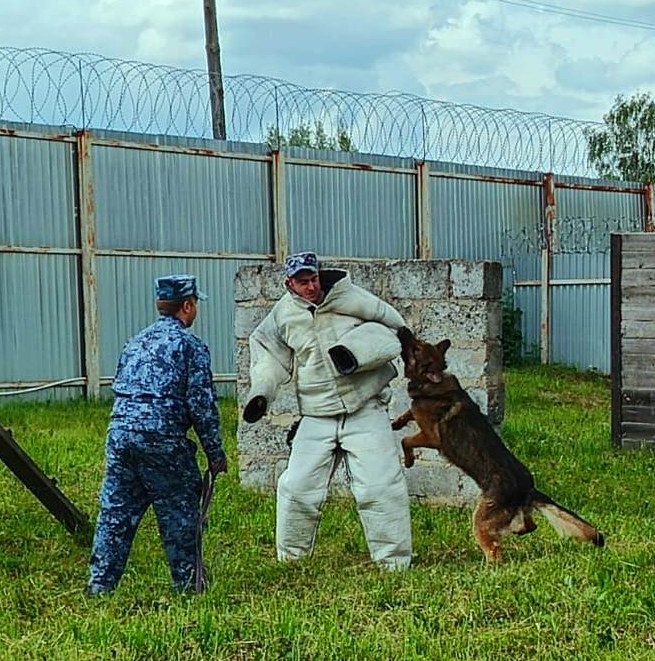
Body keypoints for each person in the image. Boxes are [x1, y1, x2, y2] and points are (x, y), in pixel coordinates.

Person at [242, 250, 412, 569]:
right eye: (303, 282)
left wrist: (381, 352)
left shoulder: (354, 299)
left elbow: (396, 329)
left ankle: (394, 562)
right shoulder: (282, 315)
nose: (311, 287)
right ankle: (290, 561)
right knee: (296, 487)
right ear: (288, 283)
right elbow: (269, 357)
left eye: (314, 279)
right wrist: (261, 393)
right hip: (317, 414)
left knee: (380, 485)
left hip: (365, 407)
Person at [88, 274, 227, 594]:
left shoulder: (135, 342)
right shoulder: (190, 347)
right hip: (162, 441)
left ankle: (99, 587)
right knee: (180, 516)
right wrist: (215, 454)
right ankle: (189, 587)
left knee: (115, 515)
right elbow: (201, 406)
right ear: (188, 306)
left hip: (121, 437)